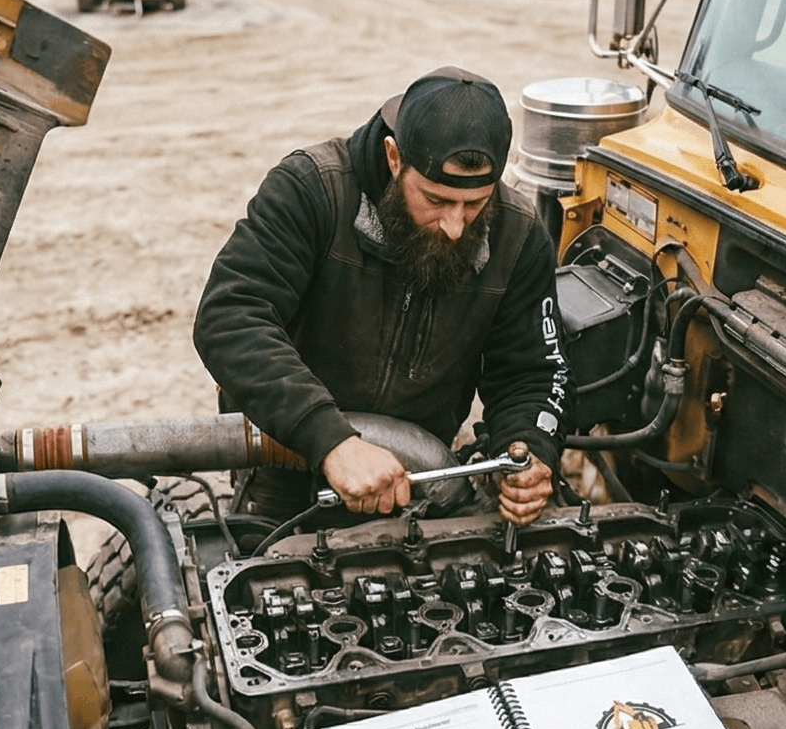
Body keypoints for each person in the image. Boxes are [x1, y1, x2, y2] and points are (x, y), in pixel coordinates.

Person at [193, 66, 573, 527]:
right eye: (435, 200)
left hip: (418, 476)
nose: (456, 226)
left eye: (475, 205)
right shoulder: (313, 190)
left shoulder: (518, 236)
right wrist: (332, 441)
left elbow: (531, 369)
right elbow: (232, 317)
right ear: (394, 158)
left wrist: (528, 447)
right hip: (286, 462)